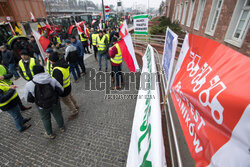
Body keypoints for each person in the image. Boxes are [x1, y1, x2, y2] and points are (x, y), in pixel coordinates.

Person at [24, 65, 64, 139]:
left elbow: (26, 99)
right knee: (58, 114)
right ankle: (61, 127)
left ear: (34, 73)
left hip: (41, 106)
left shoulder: (29, 84)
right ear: (43, 70)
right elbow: (61, 89)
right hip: (54, 102)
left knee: (45, 119)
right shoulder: (51, 79)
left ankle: (49, 133)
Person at [49, 52, 79, 120]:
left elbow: (58, 83)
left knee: (67, 101)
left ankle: (74, 111)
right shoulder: (63, 64)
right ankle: (76, 105)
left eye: (50, 60)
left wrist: (57, 92)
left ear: (53, 60)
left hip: (63, 89)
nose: (49, 62)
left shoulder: (57, 70)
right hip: (68, 85)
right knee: (70, 96)